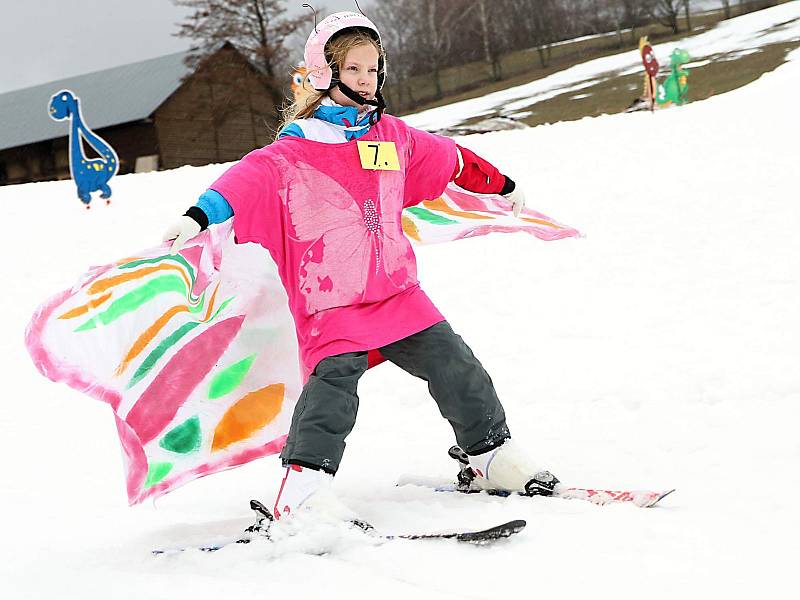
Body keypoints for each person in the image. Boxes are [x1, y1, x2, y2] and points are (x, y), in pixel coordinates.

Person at [163, 11, 558, 528]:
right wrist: (198, 216)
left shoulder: (392, 138)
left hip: (396, 289)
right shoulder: (296, 150)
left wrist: (500, 183)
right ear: (325, 74)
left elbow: (451, 159)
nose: (368, 80)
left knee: (455, 364)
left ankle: (487, 457)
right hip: (334, 298)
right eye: (354, 70)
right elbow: (244, 182)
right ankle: (302, 490)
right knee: (333, 388)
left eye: (374, 69)